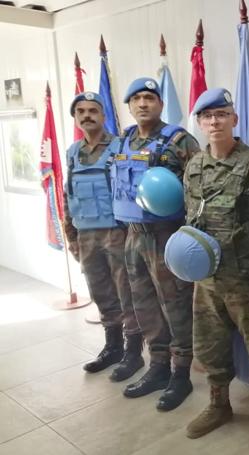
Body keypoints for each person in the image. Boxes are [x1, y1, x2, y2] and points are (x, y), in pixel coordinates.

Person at [181, 88, 249, 454]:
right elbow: (190, 218)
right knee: (210, 347)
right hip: (207, 279)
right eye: (207, 116)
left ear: (234, 119)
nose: (215, 121)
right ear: (199, 122)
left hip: (248, 279)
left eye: (222, 114)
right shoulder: (194, 165)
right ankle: (218, 404)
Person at [111, 77, 200, 411]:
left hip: (166, 235)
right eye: (136, 99)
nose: (143, 104)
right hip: (133, 236)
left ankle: (181, 373)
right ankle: (158, 366)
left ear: (160, 104)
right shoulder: (123, 142)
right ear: (130, 106)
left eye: (150, 97)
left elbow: (198, 187)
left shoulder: (179, 140)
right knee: (144, 304)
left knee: (175, 305)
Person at [63, 91, 142, 379]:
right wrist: (70, 234)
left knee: (127, 293)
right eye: (80, 111)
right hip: (86, 234)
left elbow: (133, 188)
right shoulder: (73, 152)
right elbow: (66, 194)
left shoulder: (121, 146)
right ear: (75, 117)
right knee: (100, 292)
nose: (87, 115)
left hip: (117, 232)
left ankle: (134, 353)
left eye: (93, 110)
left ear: (103, 115)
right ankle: (113, 348)